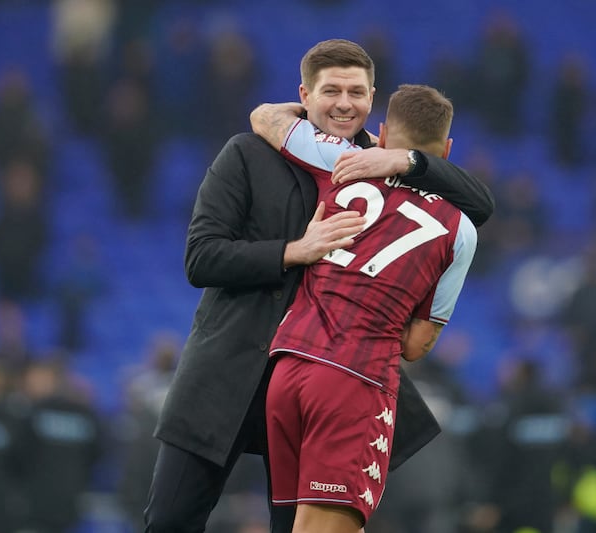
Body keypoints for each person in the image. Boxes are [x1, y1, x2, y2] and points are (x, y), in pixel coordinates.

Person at [145, 38, 494, 533]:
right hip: (228, 373)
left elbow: (480, 203)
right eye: (332, 91)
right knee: (169, 522)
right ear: (305, 95)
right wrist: (293, 251)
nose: (344, 103)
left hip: (316, 379)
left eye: (357, 91)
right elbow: (201, 257)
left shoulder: (385, 167)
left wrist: (403, 160)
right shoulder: (246, 154)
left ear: (373, 102)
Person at [249, 82, 477, 532]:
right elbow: (416, 344)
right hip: (354, 380)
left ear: (384, 133)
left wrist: (321, 114)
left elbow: (264, 117)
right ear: (446, 150)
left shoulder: (343, 161)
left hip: (288, 368)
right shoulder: (461, 229)